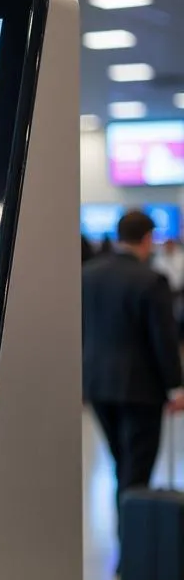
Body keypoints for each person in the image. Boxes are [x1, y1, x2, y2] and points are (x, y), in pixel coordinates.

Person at [83, 210, 184, 551]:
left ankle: (126, 545)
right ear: (146, 239)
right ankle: (133, 553)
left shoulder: (88, 275)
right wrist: (176, 386)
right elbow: (164, 340)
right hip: (141, 389)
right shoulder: (151, 280)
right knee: (136, 472)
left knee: (121, 464)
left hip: (98, 385)